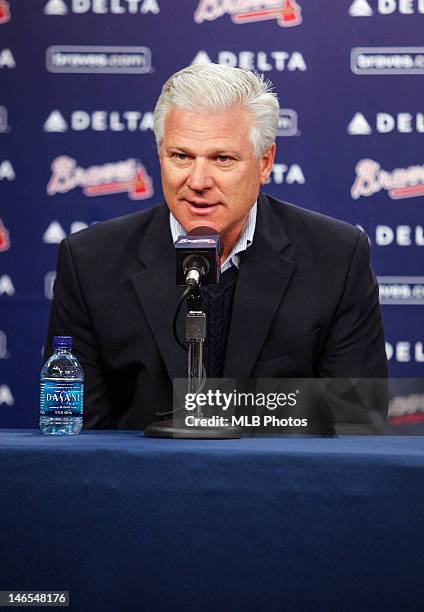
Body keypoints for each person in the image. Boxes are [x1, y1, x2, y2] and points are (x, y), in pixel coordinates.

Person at [44, 63, 387, 430]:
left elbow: (357, 424)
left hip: (286, 484)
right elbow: (74, 433)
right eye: (181, 156)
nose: (198, 180)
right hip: (142, 483)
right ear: (160, 155)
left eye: (222, 159)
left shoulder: (335, 256)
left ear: (264, 162)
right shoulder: (91, 262)